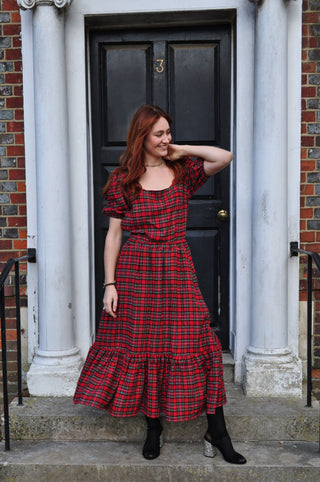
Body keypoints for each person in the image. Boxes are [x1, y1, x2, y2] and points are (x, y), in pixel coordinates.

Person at [73, 105, 246, 464]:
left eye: (169, 132)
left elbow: (224, 156)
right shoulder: (123, 180)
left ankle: (219, 432)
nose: (166, 139)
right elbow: (114, 236)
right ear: (142, 138)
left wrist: (184, 150)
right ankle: (154, 427)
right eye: (159, 134)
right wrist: (109, 284)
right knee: (145, 346)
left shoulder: (182, 172)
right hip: (136, 271)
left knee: (200, 345)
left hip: (176, 269)